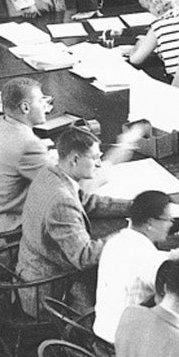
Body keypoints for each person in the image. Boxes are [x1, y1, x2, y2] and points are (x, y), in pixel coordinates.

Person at [17, 125, 109, 316]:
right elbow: (84, 257)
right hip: (49, 294)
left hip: (31, 272)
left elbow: (86, 201)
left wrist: (134, 206)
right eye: (95, 158)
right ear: (75, 159)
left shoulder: (50, 173)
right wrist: (124, 237)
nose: (100, 164)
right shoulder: (61, 201)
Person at [93, 189, 179, 344]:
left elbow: (159, 260)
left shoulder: (118, 240)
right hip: (126, 345)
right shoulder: (147, 257)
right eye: (168, 219)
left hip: (105, 332)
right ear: (150, 223)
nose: (171, 224)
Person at [0, 76, 55, 233]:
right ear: (25, 108)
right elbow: (66, 189)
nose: (46, 106)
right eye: (40, 101)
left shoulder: (1, 125)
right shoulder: (28, 144)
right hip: (6, 235)